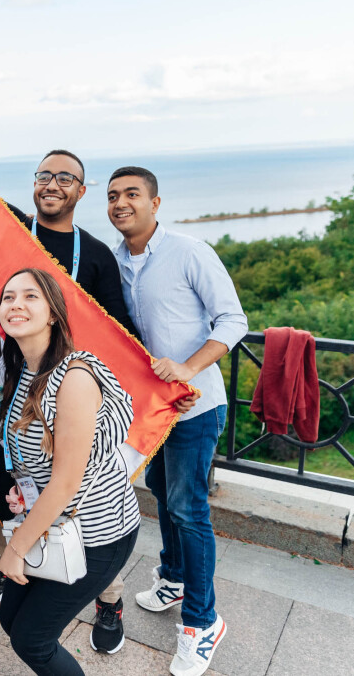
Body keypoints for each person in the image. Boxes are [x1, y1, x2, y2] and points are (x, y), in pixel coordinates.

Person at [0, 150, 140, 657]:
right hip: (36, 475)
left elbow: (121, 331)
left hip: (94, 524)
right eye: (43, 175)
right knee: (13, 616)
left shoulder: (93, 259)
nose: (51, 183)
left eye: (64, 177)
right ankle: (19, 562)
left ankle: (103, 598)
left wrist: (86, 394)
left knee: (31, 636)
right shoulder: (13, 234)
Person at [108, 166, 247, 676]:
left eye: (132, 194)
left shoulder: (190, 252)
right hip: (153, 409)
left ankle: (202, 622)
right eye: (113, 196)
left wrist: (188, 369)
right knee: (164, 494)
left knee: (189, 509)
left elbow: (234, 320)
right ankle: (173, 576)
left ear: (156, 202)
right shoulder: (117, 261)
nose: (121, 203)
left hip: (197, 405)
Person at [0, 268, 140, 676]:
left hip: (98, 533)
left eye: (30, 297)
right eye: (8, 297)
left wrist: (16, 548)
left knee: (31, 639)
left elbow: (67, 480)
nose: (16, 305)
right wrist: (26, 490)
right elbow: (43, 462)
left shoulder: (73, 377)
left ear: (54, 314)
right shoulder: (22, 370)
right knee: (11, 622)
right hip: (54, 520)